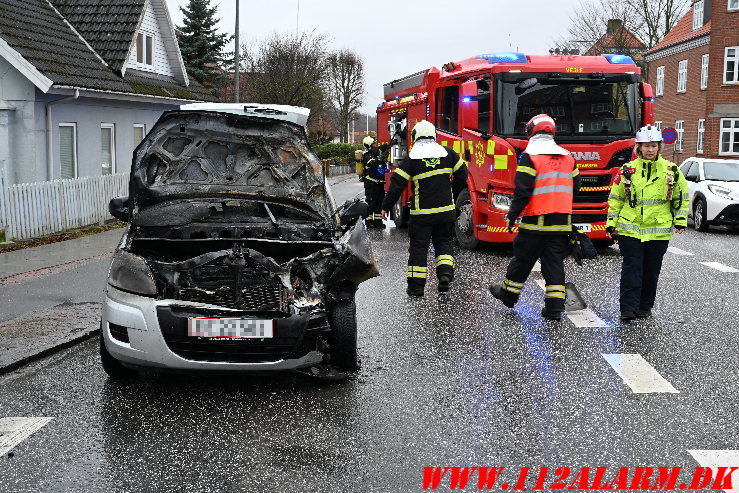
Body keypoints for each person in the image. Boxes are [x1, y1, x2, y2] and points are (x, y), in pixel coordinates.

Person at [489, 114, 581, 320]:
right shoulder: (567, 156)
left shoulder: (529, 156)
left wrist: (512, 217)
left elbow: (522, 191)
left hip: (535, 223)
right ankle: (555, 308)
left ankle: (508, 295)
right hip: (561, 224)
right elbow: (577, 186)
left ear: (531, 131)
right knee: (554, 264)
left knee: (522, 260)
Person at [606, 124, 688, 322]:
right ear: (639, 148)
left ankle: (644, 306)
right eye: (646, 146)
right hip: (630, 230)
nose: (650, 150)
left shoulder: (672, 171)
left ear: (659, 147)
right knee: (631, 269)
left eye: (653, 145)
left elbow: (681, 197)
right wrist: (611, 223)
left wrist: (680, 220)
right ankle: (627, 308)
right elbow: (616, 198)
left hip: (658, 231)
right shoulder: (627, 171)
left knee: (651, 271)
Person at [381, 120, 468, 297]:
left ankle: (416, 287)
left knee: (419, 248)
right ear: (433, 135)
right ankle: (444, 275)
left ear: (415, 137)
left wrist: (386, 207)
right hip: (446, 212)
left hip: (422, 215)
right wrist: (452, 189)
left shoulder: (411, 158)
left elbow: (397, 184)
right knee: (444, 243)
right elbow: (463, 173)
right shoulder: (448, 153)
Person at [361, 136, 389, 228]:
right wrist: (380, 158)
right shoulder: (367, 156)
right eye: (374, 144)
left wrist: (392, 143)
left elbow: (383, 147)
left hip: (379, 183)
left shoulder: (376, 152)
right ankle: (368, 222)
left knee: (379, 203)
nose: (376, 145)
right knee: (371, 203)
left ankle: (378, 222)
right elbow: (372, 164)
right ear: (369, 146)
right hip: (371, 184)